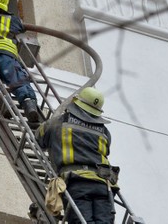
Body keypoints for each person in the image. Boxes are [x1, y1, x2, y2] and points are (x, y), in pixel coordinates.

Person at [36, 87, 116, 224]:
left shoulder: (58, 122)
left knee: (82, 221)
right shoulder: (104, 131)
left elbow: (39, 138)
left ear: (76, 103)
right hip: (103, 184)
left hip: (77, 182)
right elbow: (106, 150)